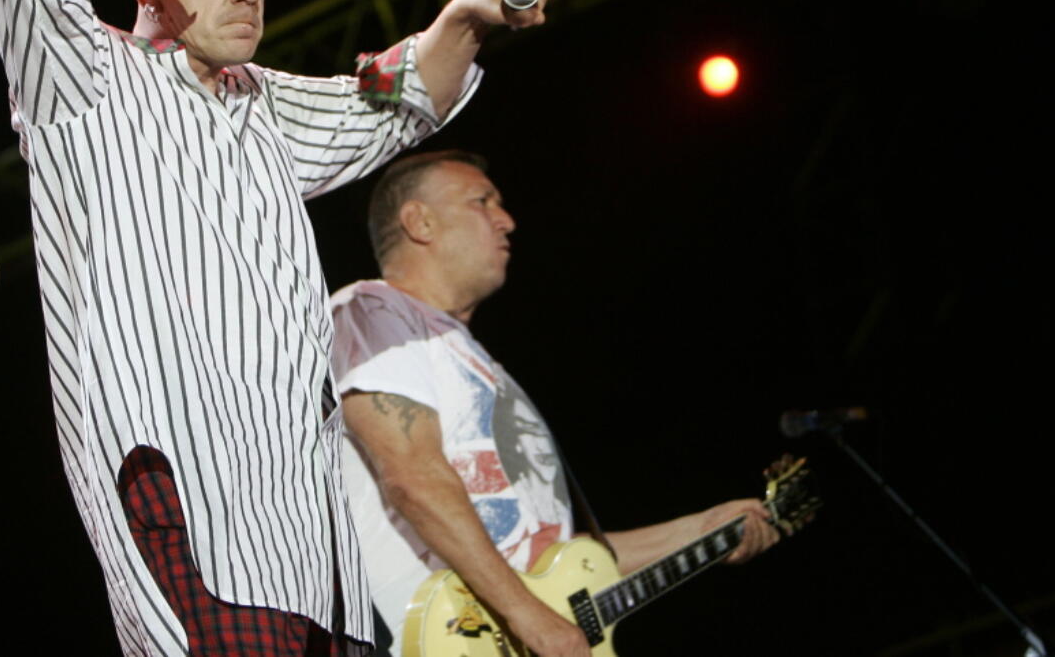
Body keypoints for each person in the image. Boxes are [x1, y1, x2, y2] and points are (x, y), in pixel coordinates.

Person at [0, 0, 563, 657]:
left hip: (315, 561)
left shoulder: (265, 105)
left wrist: (464, 16)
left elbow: (403, 103)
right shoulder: (85, 83)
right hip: (190, 516)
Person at [330, 151, 780, 657]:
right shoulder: (373, 310)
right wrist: (526, 614)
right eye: (483, 202)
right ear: (420, 222)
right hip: (416, 636)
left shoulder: (484, 368)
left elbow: (557, 559)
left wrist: (703, 531)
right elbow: (412, 476)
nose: (507, 220)